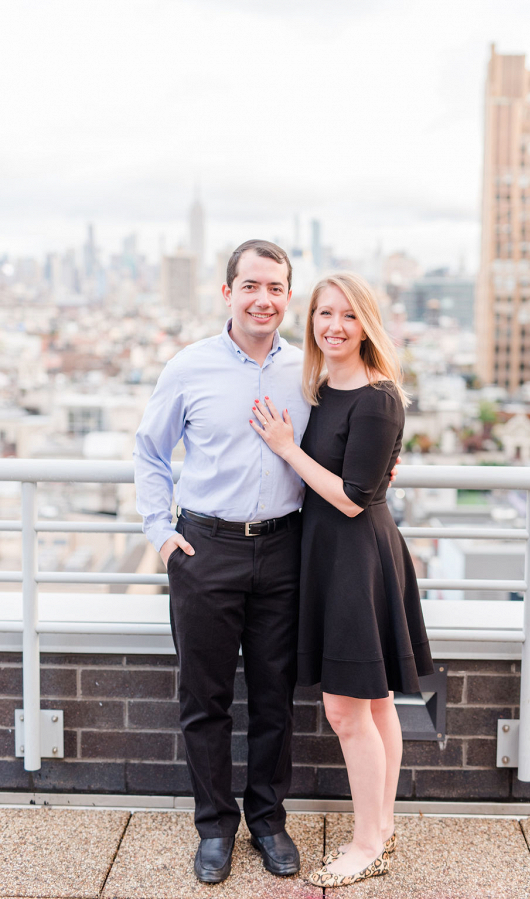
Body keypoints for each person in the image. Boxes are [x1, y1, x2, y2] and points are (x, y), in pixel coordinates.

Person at [250, 271, 434, 889]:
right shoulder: (324, 388)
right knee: (375, 703)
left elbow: (355, 497)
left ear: (367, 325)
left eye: (348, 316)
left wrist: (284, 446)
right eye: (324, 314)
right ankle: (380, 829)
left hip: (356, 554)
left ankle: (365, 841)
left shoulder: (377, 396)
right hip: (329, 553)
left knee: (346, 709)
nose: (333, 325)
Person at [133, 240, 310, 883]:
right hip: (206, 547)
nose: (264, 299)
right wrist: (160, 531)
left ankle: (267, 820)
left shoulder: (307, 368)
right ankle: (214, 827)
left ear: (289, 296)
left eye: (277, 288)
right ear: (229, 292)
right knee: (203, 696)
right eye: (252, 286)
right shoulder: (189, 367)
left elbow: (343, 434)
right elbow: (150, 452)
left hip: (286, 547)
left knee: (274, 697)